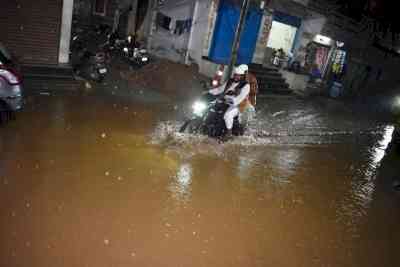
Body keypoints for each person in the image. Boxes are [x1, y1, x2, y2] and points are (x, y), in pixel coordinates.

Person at [208, 64, 251, 139]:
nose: (236, 77)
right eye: (235, 75)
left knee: (228, 115)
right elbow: (220, 89)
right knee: (211, 108)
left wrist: (229, 100)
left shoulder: (245, 86)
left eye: (239, 75)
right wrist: (209, 92)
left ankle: (229, 133)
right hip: (225, 101)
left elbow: (239, 99)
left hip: (238, 106)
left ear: (243, 76)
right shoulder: (230, 81)